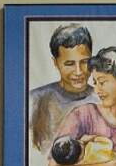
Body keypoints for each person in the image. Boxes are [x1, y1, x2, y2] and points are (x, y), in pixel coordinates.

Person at [30, 24, 98, 154]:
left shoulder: (103, 100)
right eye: (69, 64)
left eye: (84, 62)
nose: (78, 72)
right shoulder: (34, 100)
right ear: (55, 63)